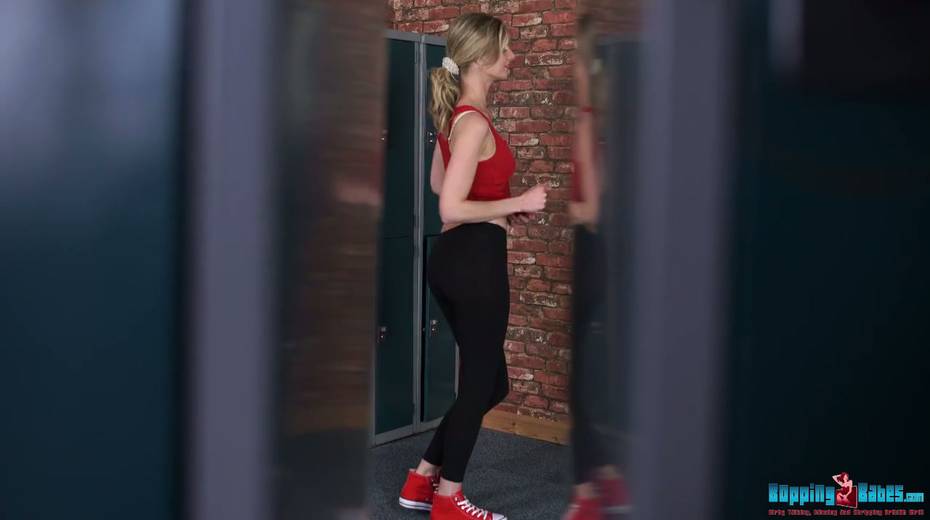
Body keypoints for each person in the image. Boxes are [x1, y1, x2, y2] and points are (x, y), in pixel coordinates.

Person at [397, 12, 549, 520]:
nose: (512, 56)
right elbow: (449, 207)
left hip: (460, 260)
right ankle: (449, 500)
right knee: (480, 383)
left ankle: (421, 479)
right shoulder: (474, 121)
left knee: (492, 383)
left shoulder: (459, 116)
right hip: (474, 262)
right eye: (505, 48)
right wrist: (516, 201)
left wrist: (503, 208)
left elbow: (441, 184)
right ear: (482, 57)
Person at [562, 13, 631, 520]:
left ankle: (587, 493)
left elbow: (591, 209)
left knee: (579, 383)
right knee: (585, 376)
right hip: (601, 254)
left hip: (591, 252)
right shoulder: (600, 121)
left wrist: (545, 204)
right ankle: (605, 477)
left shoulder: (588, 121)